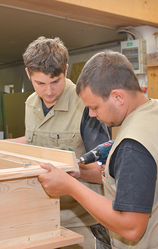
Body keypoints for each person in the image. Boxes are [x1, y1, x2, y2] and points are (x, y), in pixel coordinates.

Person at [38, 50, 158, 249]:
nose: (91, 115)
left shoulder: (133, 145)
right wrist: (81, 173)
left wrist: (70, 187)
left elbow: (131, 227)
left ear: (118, 96)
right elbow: (149, 179)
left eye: (94, 107)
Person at [10, 37, 111, 249]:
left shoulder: (85, 104)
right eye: (40, 83)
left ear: (65, 70)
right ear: (28, 74)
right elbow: (35, 140)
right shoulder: (30, 103)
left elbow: (107, 171)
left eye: (55, 81)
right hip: (41, 216)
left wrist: (74, 171)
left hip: (81, 220)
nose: (48, 91)